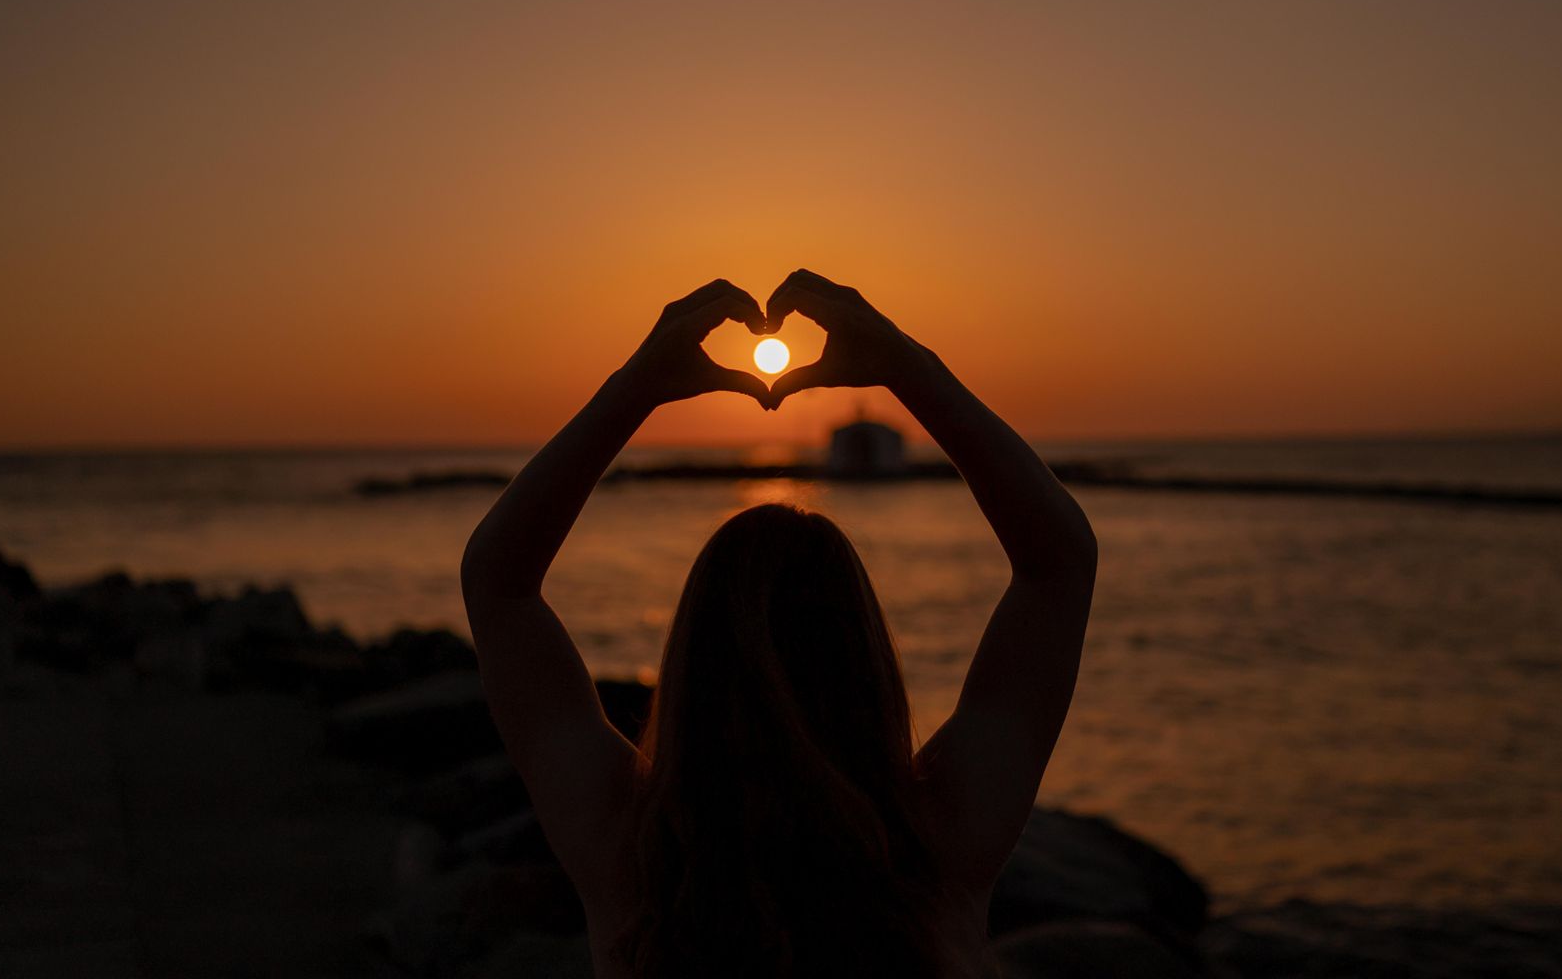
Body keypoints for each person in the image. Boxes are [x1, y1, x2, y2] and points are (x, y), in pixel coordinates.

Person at [461, 270, 1098, 978]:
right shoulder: (938, 841)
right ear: (866, 662)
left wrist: (637, 386)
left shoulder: (627, 853)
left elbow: (498, 584)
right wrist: (905, 366)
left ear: (695, 662)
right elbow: (1059, 565)